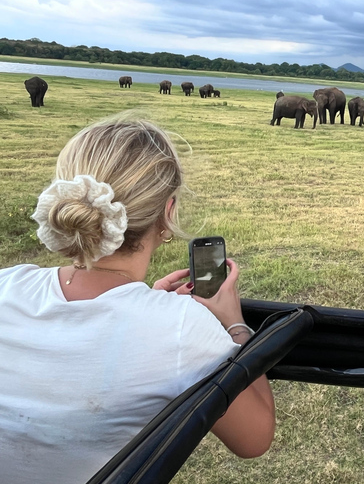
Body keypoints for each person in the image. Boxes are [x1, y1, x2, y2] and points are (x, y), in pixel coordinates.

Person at [0, 118, 275, 483]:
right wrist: (235, 326)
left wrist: (146, 304)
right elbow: (255, 439)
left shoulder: (7, 284)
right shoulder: (178, 328)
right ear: (168, 213)